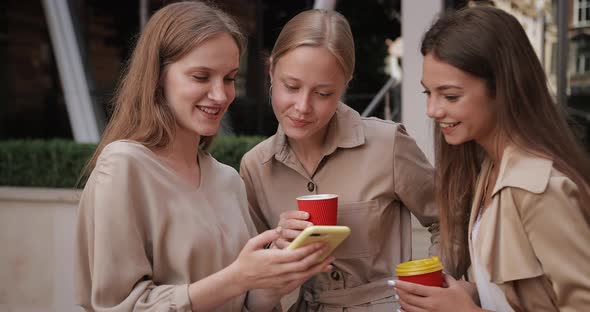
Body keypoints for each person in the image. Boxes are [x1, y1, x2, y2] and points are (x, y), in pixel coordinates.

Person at [75, 2, 334, 311]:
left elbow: (246, 302)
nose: (221, 95)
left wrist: (275, 273)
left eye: (229, 78)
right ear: (158, 77)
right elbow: (118, 306)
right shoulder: (123, 167)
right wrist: (237, 278)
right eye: (201, 77)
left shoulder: (228, 180)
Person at [239, 9, 440, 311]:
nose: (303, 107)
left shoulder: (388, 144)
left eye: (323, 93)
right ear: (271, 72)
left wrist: (435, 285)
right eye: (291, 87)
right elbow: (254, 283)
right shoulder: (255, 166)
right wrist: (278, 248)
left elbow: (448, 220)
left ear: (345, 85)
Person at [393, 6, 590, 312]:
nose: (433, 110)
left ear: (502, 89)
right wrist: (471, 293)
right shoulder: (488, 169)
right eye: (428, 93)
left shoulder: (540, 190)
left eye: (450, 96)